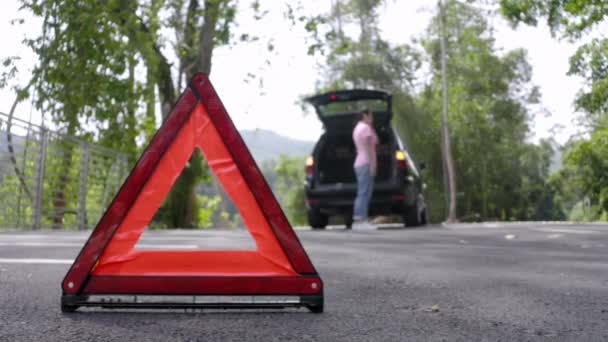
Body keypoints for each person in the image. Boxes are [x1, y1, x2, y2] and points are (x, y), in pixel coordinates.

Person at [352, 108, 378, 230]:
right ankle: (359, 220)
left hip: (359, 162)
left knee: (363, 192)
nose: (372, 118)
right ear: (364, 115)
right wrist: (372, 165)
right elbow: (369, 147)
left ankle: (361, 220)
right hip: (366, 162)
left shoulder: (358, 128)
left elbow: (376, 140)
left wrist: (371, 125)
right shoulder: (366, 128)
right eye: (370, 115)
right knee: (364, 192)